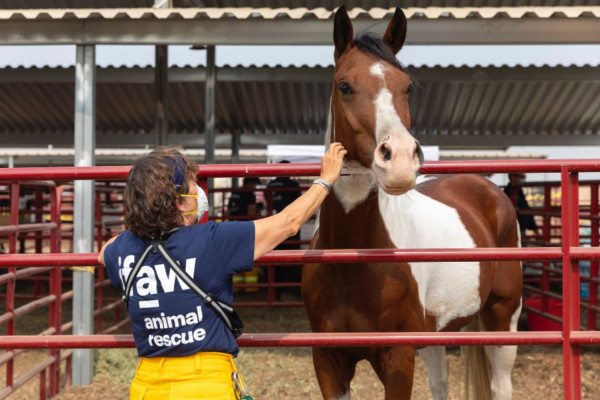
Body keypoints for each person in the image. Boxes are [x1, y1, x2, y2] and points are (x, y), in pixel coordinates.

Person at [97, 143, 346, 400]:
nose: (199, 191)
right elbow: (288, 223)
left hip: (146, 386)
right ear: (179, 203)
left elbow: (103, 252)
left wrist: (142, 225)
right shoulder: (212, 241)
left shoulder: (124, 249)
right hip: (205, 384)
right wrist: (325, 179)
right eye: (194, 185)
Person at [266, 161, 302, 300]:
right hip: (291, 222)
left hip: (274, 223)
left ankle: (276, 292)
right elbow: (299, 203)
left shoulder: (271, 185)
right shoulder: (292, 185)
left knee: (275, 258)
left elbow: (267, 201)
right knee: (294, 258)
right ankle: (293, 290)